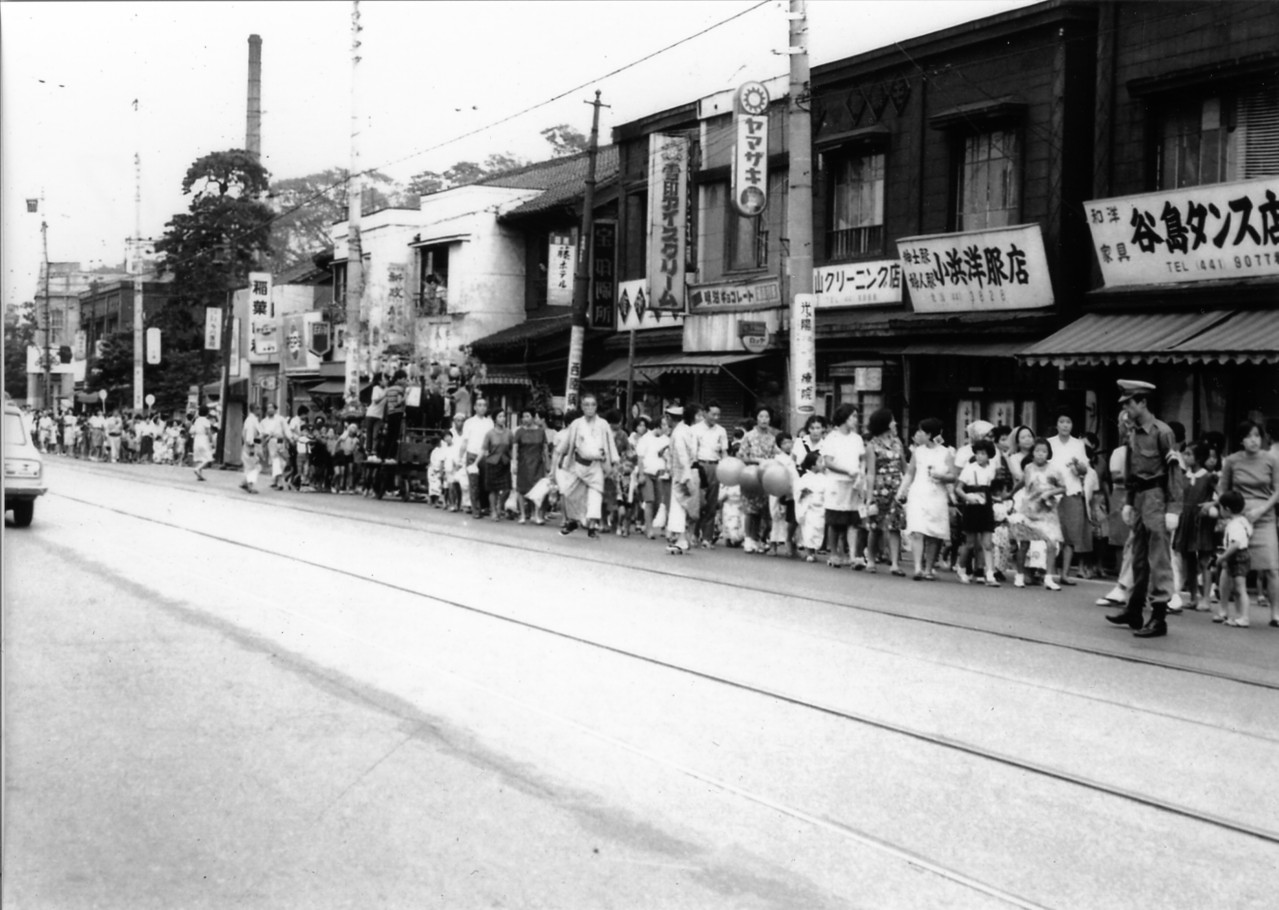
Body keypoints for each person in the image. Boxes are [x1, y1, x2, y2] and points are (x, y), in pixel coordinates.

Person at [1104, 380, 1184, 638]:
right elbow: (1132, 470)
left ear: (1143, 402)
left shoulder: (1162, 432)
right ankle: (1134, 609)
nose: (1126, 408)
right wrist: (1128, 502)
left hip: (1157, 498)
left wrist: (1173, 508)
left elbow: (1173, 472)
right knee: (1138, 559)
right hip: (1139, 498)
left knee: (1158, 559)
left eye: (1129, 403)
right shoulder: (1133, 432)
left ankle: (1159, 618)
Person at [1216, 419, 1279, 627]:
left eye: (1257, 436)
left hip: (1265, 516)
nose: (1254, 440)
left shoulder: (1271, 460)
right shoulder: (1232, 461)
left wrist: (1262, 509)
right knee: (1228, 564)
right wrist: (1228, 512)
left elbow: (1277, 490)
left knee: (1271, 567)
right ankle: (1223, 608)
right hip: (1238, 519)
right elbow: (1222, 489)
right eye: (1249, 436)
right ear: (1241, 440)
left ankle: (1276, 613)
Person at [896, 418, 955, 581]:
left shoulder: (945, 452)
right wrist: (902, 490)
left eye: (922, 431)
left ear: (929, 434)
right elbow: (910, 473)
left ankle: (929, 567)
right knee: (917, 530)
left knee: (933, 533)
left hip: (936, 495)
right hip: (918, 493)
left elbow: (953, 476)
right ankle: (917, 567)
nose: (919, 434)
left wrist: (942, 476)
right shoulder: (918, 451)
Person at [556, 393, 619, 538]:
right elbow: (566, 443)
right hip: (578, 464)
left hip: (596, 465)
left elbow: (611, 444)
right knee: (570, 493)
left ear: (596, 407)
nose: (590, 408)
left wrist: (614, 463)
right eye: (586, 405)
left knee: (595, 493)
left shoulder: (603, 424)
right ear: (582, 407)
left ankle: (592, 526)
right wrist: (561, 457)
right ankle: (573, 521)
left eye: (593, 404)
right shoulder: (576, 423)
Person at [1008, 437, 1066, 591]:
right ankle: (1019, 575)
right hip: (1030, 509)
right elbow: (1022, 482)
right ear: (1033, 452)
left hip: (1047, 510)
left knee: (1052, 543)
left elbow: (1063, 487)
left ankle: (1048, 577)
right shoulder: (1028, 468)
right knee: (1025, 543)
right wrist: (1010, 493)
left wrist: (1050, 493)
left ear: (1048, 453)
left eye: (1044, 451)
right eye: (1038, 451)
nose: (1041, 454)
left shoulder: (1054, 470)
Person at [819, 403, 866, 568]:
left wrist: (860, 473)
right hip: (836, 483)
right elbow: (828, 462)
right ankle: (834, 554)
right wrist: (847, 471)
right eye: (853, 416)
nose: (855, 420)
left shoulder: (857, 438)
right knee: (835, 521)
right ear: (844, 418)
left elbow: (862, 459)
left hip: (853, 484)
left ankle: (852, 554)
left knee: (852, 520)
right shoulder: (832, 438)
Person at [1047, 409, 1091, 585]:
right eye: (1062, 421)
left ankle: (1065, 574)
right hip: (1051, 492)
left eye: (1069, 422)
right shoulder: (1049, 443)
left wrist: (1077, 466)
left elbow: (1085, 469)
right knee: (1050, 535)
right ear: (1056, 424)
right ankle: (1048, 573)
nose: (1065, 425)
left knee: (1069, 536)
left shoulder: (1078, 444)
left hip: (1072, 491)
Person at [1174, 442, 1218, 612]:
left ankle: (1206, 598)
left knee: (1204, 560)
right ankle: (1193, 596)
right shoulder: (1183, 476)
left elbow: (1222, 495)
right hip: (1186, 520)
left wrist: (1211, 504)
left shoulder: (1209, 476)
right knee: (1188, 560)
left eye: (1188, 454)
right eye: (1184, 454)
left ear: (1198, 457)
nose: (1185, 457)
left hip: (1202, 520)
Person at [863, 409, 907, 576]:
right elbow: (871, 472)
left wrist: (905, 488)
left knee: (895, 526)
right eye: (892, 420)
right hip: (879, 489)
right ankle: (872, 559)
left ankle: (895, 563)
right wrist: (869, 498)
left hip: (896, 488)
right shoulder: (872, 445)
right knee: (876, 526)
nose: (895, 423)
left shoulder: (897, 443)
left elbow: (904, 466)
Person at [955, 439, 1001, 586]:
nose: (980, 456)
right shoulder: (969, 468)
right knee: (969, 543)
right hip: (971, 506)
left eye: (983, 454)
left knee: (987, 543)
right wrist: (967, 497)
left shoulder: (991, 468)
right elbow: (958, 488)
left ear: (989, 455)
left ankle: (990, 574)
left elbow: (991, 488)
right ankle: (961, 569)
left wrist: (996, 498)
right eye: (978, 453)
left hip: (985, 506)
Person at [737, 406, 780, 553]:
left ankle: (758, 538)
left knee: (762, 510)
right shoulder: (748, 436)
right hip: (751, 474)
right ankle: (748, 538)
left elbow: (777, 454)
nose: (764, 420)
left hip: (766, 476)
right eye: (761, 417)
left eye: (767, 417)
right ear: (756, 418)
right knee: (750, 509)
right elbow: (741, 455)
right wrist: (756, 460)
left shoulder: (772, 437)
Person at [664, 404, 701, 554]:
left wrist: (685, 475)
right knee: (688, 506)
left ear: (668, 418)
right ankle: (684, 537)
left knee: (679, 506)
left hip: (683, 474)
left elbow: (682, 455)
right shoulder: (687, 430)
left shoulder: (678, 433)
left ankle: (680, 540)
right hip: (690, 471)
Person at [1214, 490, 1254, 627]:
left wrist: (1222, 557)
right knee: (1237, 589)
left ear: (1227, 509)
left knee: (1240, 588)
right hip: (1242, 556)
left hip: (1238, 557)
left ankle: (1245, 617)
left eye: (1220, 507)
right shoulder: (1243, 521)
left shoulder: (1235, 525)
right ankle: (1239, 616)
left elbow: (1235, 544)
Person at [692, 401, 729, 547]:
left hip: (715, 466)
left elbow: (724, 452)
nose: (716, 417)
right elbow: (694, 451)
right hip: (700, 465)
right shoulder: (695, 429)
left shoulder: (721, 431)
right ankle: (694, 534)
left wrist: (726, 469)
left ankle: (707, 537)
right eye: (713, 414)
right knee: (699, 502)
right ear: (705, 413)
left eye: (718, 415)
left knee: (712, 503)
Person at [634, 414, 669, 539]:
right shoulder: (646, 438)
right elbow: (640, 457)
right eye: (664, 424)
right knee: (649, 500)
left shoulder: (666, 440)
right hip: (647, 472)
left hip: (660, 474)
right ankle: (649, 529)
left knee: (658, 502)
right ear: (658, 425)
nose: (666, 427)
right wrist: (641, 474)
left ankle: (646, 523)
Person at [511, 409, 548, 524]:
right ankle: (522, 514)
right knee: (521, 489)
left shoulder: (541, 432)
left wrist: (548, 464)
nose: (525, 419)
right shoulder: (519, 432)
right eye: (523, 416)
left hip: (537, 463)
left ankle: (536, 514)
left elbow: (545, 449)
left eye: (528, 416)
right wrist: (514, 463)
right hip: (523, 463)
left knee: (537, 489)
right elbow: (515, 448)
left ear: (533, 417)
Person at [461, 398, 495, 518]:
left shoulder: (489, 423)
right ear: (475, 407)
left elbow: (491, 441)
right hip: (471, 454)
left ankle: (484, 507)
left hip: (485, 455)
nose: (482, 408)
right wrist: (461, 456)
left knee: (484, 483)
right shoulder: (469, 422)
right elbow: (465, 441)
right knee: (473, 483)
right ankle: (476, 510)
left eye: (484, 405)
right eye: (479, 405)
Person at [480, 407, 513, 521]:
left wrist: (514, 461)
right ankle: (493, 511)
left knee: (507, 489)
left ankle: (500, 505)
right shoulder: (489, 434)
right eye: (500, 416)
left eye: (504, 416)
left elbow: (512, 449)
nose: (502, 419)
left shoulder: (509, 433)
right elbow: (484, 449)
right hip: (492, 463)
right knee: (492, 489)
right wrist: (476, 462)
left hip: (505, 462)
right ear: (495, 419)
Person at [240, 403, 263, 494]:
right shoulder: (251, 421)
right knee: (253, 467)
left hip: (253, 445)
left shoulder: (253, 420)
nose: (260, 411)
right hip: (251, 446)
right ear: (254, 410)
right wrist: (251, 447)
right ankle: (250, 485)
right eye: (258, 409)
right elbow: (249, 435)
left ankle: (245, 483)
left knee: (252, 466)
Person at [363, 374, 387, 456]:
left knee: (375, 435)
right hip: (371, 414)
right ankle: (368, 451)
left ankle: (373, 451)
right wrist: (384, 394)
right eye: (384, 380)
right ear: (379, 381)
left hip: (379, 416)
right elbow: (375, 400)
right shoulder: (376, 388)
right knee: (369, 434)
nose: (386, 381)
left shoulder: (386, 390)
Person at [191, 405, 214, 481]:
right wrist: (211, 441)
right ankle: (198, 469)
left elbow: (192, 431)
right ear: (207, 413)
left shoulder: (197, 420)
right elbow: (208, 432)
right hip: (204, 439)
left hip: (197, 439)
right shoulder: (206, 421)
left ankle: (199, 475)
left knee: (199, 458)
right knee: (208, 458)